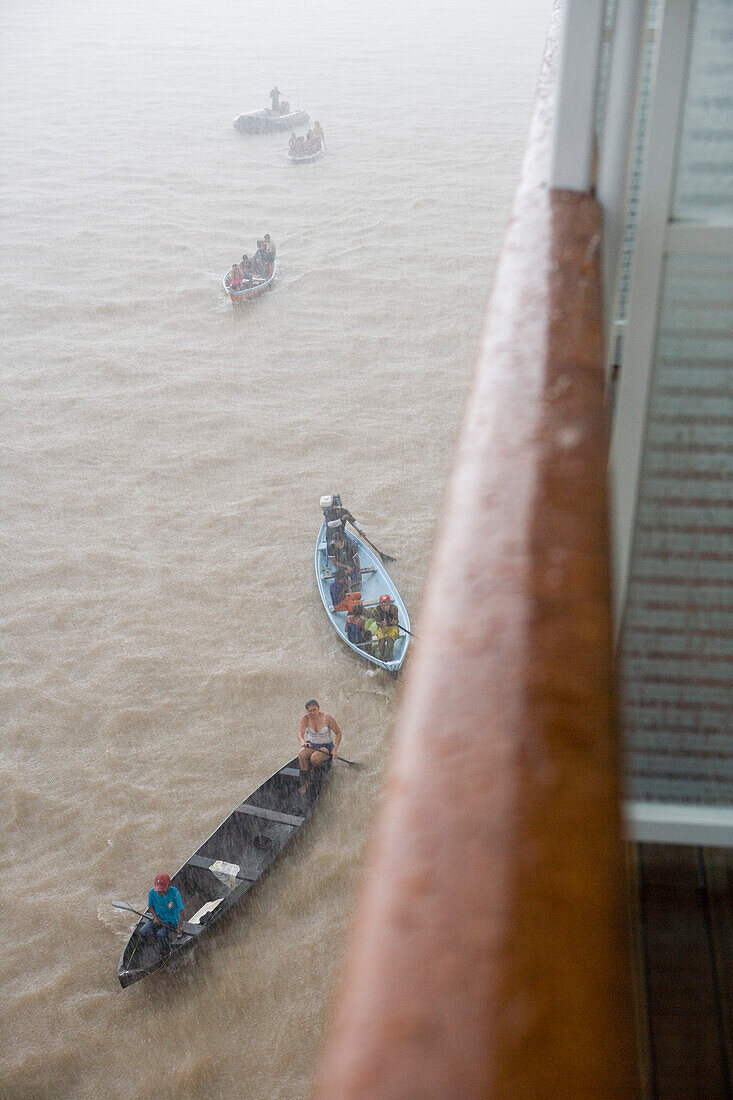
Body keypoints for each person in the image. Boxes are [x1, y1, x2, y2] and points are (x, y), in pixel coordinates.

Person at [297, 699, 342, 793]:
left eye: (314, 710)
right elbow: (300, 733)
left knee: (315, 758)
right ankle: (306, 783)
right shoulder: (305, 719)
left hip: (325, 746)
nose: (312, 713)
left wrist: (335, 749)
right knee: (301, 754)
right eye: (310, 711)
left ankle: (314, 773)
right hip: (311, 745)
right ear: (307, 711)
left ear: (319, 708)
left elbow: (338, 733)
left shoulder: (327, 718)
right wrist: (303, 741)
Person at [139, 873, 184, 955]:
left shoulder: (174, 892)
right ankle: (152, 945)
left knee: (161, 935)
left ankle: (165, 952)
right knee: (143, 932)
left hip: (172, 920)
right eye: (159, 890)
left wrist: (179, 926)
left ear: (169, 886)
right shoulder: (152, 893)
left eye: (162, 890)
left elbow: (181, 911)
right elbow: (150, 906)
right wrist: (155, 917)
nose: (160, 892)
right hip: (159, 917)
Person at [375, 594, 400, 661]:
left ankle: (390, 657)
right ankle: (382, 657)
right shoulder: (377, 609)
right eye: (382, 605)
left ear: (389, 604)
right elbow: (377, 622)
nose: (384, 607)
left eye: (386, 605)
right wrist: (380, 624)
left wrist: (394, 622)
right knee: (381, 642)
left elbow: (397, 620)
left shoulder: (394, 608)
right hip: (382, 628)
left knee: (389, 640)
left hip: (392, 627)